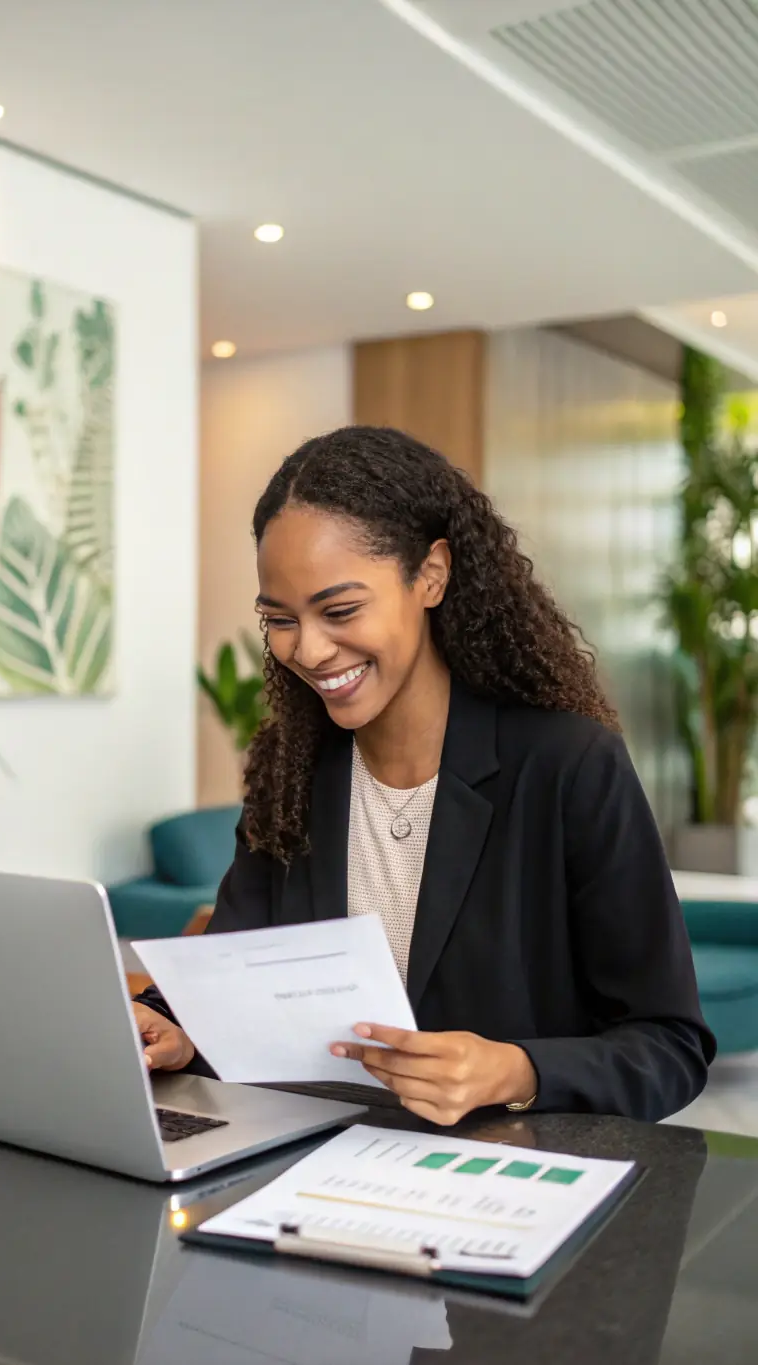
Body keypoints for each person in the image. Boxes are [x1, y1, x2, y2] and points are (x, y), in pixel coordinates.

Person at [135, 426, 714, 1124]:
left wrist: (516, 1068)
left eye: (341, 609)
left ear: (431, 574)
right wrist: (177, 1027)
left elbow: (670, 1044)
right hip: (310, 1169)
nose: (309, 649)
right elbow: (233, 973)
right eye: (280, 619)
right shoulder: (292, 770)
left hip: (505, 1189)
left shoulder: (567, 765)